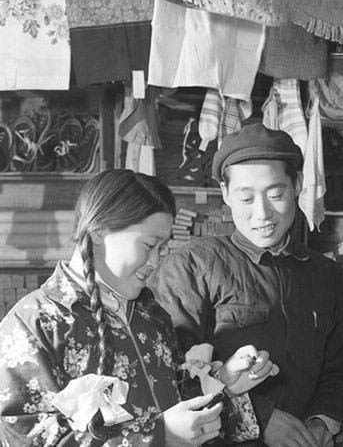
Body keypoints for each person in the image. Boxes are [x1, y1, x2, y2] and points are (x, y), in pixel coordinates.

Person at [0, 169, 277, 447]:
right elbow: (26, 437)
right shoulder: (33, 325)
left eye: (162, 248)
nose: (155, 261)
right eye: (149, 245)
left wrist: (224, 383)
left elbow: (180, 399)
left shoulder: (150, 314)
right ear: (99, 231)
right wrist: (157, 437)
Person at [150, 123, 343, 447]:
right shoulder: (191, 267)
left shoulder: (327, 276)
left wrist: (323, 424)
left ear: (296, 185)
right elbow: (166, 374)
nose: (262, 213)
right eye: (246, 197)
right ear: (225, 194)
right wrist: (257, 417)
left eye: (276, 194)